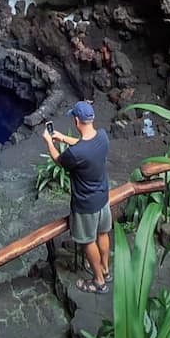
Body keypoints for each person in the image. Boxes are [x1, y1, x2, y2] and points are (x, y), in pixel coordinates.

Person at [43, 101, 111, 294]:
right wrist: (63, 138)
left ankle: (99, 282)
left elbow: (59, 160)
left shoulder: (76, 153)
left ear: (76, 120)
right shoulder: (103, 137)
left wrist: (49, 141)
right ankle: (105, 269)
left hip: (86, 205)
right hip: (103, 199)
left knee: (88, 240)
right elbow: (85, 146)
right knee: (103, 233)